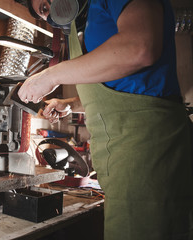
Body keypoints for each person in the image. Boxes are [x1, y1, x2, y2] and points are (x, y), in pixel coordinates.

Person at [20, 0, 193, 239]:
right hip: (124, 158)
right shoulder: (90, 17)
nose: (53, 7)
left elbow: (139, 47)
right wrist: (71, 105)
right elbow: (122, 87)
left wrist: (50, 76)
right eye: (44, 9)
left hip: (147, 151)